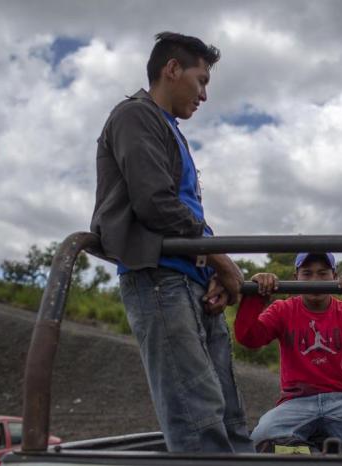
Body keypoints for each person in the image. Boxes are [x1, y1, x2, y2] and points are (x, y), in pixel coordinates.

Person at [90, 32, 253, 453]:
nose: (203, 95)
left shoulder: (170, 129)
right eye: (200, 81)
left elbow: (187, 214)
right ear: (172, 69)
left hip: (190, 280)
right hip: (160, 279)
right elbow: (156, 205)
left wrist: (212, 268)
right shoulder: (135, 116)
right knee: (197, 416)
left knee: (228, 414)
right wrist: (223, 263)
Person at [234, 253, 342, 454]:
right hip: (296, 401)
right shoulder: (283, 309)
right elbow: (248, 338)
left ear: (335, 276)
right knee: (263, 434)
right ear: (295, 277)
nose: (315, 281)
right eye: (307, 274)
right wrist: (257, 294)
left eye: (323, 273)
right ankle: (313, 456)